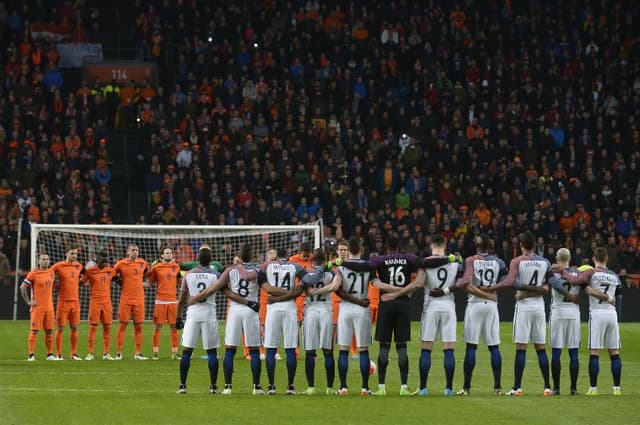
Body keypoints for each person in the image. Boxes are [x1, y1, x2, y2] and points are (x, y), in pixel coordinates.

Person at [340, 235, 453, 396]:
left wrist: (340, 262)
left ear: (386, 246)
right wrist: (450, 258)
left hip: (386, 304)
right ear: (400, 246)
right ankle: (404, 387)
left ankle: (381, 387)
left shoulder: (379, 260)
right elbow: (428, 263)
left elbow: (365, 271)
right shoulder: (409, 258)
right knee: (402, 346)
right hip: (403, 305)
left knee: (384, 346)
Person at [384, 235, 462, 396]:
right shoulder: (455, 261)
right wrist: (447, 290)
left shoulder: (426, 262)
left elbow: (419, 283)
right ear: (444, 246)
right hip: (449, 305)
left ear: (431, 246)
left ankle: (423, 388)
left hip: (431, 306)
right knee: (449, 349)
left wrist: (398, 294)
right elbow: (461, 282)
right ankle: (448, 389)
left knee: (426, 348)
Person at [482, 231, 553, 396]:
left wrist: (490, 289)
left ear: (521, 246)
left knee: (521, 348)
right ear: (534, 245)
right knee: (541, 348)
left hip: (523, 307)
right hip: (539, 307)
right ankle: (547, 387)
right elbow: (547, 287)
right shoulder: (545, 262)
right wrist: (534, 291)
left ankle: (517, 388)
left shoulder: (517, 261)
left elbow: (509, 282)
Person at [440, 234, 506, 396]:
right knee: (494, 346)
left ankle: (467, 388)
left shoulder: (470, 260)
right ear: (490, 247)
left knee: (471, 346)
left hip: (475, 303)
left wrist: (481, 292)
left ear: (477, 246)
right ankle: (497, 387)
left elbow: (464, 283)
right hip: (491, 304)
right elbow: (504, 283)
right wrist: (491, 292)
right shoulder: (499, 262)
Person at [270, 248, 337, 395]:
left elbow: (300, 289)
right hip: (326, 310)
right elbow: (337, 287)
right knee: (328, 351)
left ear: (312, 258)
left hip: (311, 310)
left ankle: (311, 387)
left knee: (309, 351)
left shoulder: (306, 272)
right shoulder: (330, 273)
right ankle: (330, 388)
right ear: (324, 259)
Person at [313, 238, 376, 395]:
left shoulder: (341, 267)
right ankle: (364, 388)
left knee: (343, 350)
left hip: (345, 309)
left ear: (348, 251)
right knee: (363, 350)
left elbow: (334, 287)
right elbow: (378, 284)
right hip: (362, 309)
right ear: (360, 249)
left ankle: (343, 387)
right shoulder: (368, 266)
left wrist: (316, 291)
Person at [558, 247, 622, 396]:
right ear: (607, 259)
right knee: (614, 352)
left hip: (597, 314)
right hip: (612, 314)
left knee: (595, 352)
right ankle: (616, 388)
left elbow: (581, 285)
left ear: (594, 259)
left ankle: (593, 388)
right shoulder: (614, 276)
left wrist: (564, 270)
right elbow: (619, 297)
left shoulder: (591, 273)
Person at [261, 248, 308, 395]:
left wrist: (275, 297)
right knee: (290, 348)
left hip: (273, 309)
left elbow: (262, 282)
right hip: (290, 309)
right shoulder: (295, 266)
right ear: (288, 256)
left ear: (275, 257)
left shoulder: (267, 266)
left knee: (270, 348)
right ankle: (290, 386)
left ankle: (271, 386)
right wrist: (293, 292)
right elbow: (306, 282)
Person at [176, 246, 221, 394]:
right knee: (212, 352)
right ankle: (213, 386)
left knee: (187, 351)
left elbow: (182, 299)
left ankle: (182, 386)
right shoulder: (216, 274)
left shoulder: (189, 275)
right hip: (209, 313)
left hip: (193, 314)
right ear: (211, 260)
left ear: (197, 259)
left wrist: (178, 316)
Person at [548, 248, 582, 395]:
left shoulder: (552, 272)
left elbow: (552, 282)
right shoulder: (577, 273)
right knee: (573, 352)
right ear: (570, 258)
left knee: (556, 351)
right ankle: (573, 388)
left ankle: (556, 388)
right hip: (573, 313)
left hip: (558, 311)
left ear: (557, 258)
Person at [113, 244, 150, 360]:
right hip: (126, 299)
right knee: (122, 325)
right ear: (128, 252)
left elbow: (147, 274)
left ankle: (138, 353)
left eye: (137, 250)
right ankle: (119, 353)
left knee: (139, 326)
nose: (135, 252)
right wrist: (119, 282)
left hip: (139, 299)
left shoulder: (143, 263)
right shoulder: (121, 263)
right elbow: (112, 274)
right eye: (133, 250)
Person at [20, 253, 57, 361]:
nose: (45, 261)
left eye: (47, 259)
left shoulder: (51, 273)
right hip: (38, 308)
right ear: (39, 261)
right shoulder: (34, 273)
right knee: (34, 331)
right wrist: (28, 301)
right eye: (43, 259)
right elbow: (22, 287)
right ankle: (31, 355)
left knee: (49, 331)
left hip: (49, 307)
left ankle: (50, 354)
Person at [50, 245, 84, 360]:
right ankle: (59, 354)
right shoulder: (58, 266)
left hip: (75, 302)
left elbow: (85, 275)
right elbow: (48, 276)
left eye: (75, 254)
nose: (74, 256)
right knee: (60, 328)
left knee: (74, 328)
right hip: (63, 302)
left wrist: (80, 283)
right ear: (66, 253)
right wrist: (55, 286)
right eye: (72, 253)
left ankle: (73, 354)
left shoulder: (79, 266)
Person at [81, 251, 116, 360]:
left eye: (106, 259)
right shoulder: (90, 271)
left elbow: (119, 281)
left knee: (107, 328)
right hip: (95, 303)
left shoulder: (111, 271)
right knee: (93, 327)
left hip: (107, 303)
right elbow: (80, 283)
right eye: (102, 259)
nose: (104, 261)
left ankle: (106, 353)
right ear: (97, 259)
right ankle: (90, 353)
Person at [148, 247, 181, 360]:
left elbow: (178, 281)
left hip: (173, 300)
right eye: (166, 253)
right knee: (158, 326)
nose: (169, 255)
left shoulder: (176, 267)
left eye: (170, 253)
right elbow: (150, 283)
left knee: (174, 326)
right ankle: (156, 353)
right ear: (161, 255)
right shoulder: (156, 268)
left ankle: (175, 353)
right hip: (160, 301)